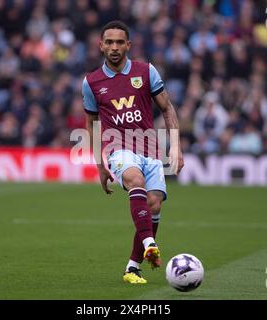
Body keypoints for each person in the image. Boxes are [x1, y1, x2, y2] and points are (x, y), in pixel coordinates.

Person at [82, 21, 184, 284]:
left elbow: (167, 108)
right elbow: (91, 124)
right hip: (118, 147)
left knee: (154, 205)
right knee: (134, 180)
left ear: (128, 45)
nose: (114, 47)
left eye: (119, 42)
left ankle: (132, 268)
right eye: (109, 42)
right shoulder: (91, 82)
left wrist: (177, 147)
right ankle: (150, 243)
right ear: (101, 46)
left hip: (150, 147)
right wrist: (99, 165)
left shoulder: (146, 71)